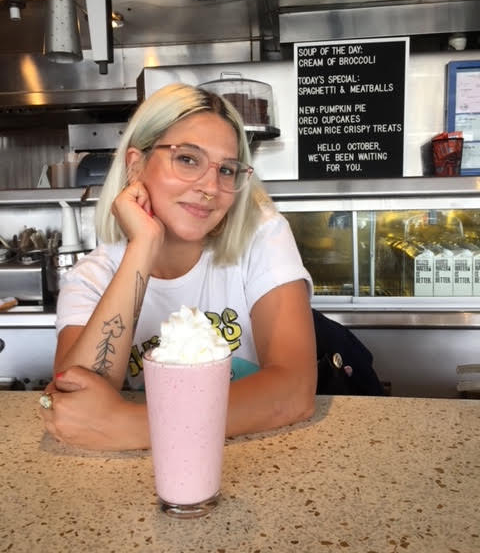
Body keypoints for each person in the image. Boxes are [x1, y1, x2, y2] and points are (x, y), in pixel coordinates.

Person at [40, 83, 317, 450]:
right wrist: (143, 245)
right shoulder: (91, 277)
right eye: (187, 159)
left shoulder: (261, 234)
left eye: (227, 170)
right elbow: (76, 404)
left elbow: (295, 390)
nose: (210, 188)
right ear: (135, 164)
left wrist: (136, 425)